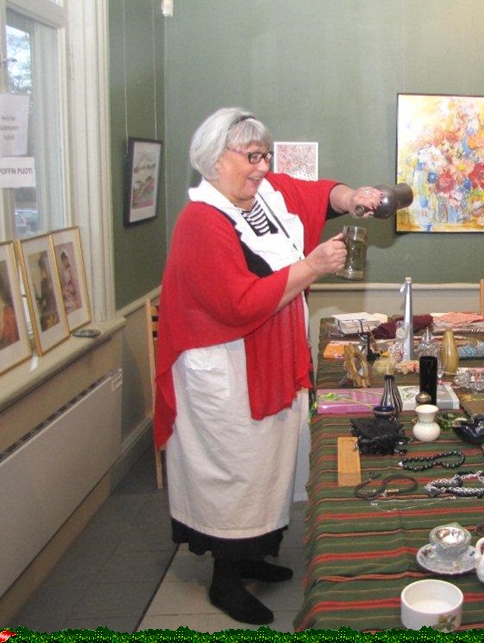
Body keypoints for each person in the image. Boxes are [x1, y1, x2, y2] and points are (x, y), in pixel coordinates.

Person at [153, 107, 380, 625]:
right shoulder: (201, 221)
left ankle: (252, 555)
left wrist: (352, 197)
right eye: (251, 156)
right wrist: (312, 266)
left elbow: (318, 193)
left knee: (266, 466)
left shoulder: (264, 196)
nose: (262, 167)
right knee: (235, 470)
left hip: (268, 358)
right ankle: (225, 580)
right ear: (216, 159)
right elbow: (238, 304)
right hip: (225, 371)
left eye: (265, 156)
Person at [59, 249, 82, 314]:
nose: (64, 262)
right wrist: (64, 290)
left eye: (65, 259)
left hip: (74, 297)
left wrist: (67, 290)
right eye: (63, 260)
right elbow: (66, 284)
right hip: (69, 296)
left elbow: (74, 288)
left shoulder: (71, 271)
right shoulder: (65, 272)